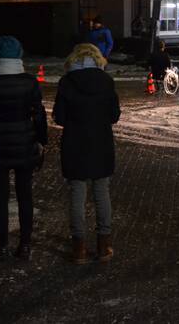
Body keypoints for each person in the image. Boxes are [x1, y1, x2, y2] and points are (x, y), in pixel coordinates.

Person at [0, 36, 48, 262]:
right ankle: (25, 244)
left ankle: (2, 245)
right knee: (25, 196)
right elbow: (39, 115)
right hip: (25, 144)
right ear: (19, 55)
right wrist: (42, 140)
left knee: (0, 197)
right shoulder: (30, 82)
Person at [53, 43, 121, 264]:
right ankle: (104, 244)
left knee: (77, 193)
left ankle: (79, 248)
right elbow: (114, 115)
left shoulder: (66, 83)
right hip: (100, 143)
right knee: (102, 191)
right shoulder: (106, 81)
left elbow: (59, 117)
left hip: (75, 144)